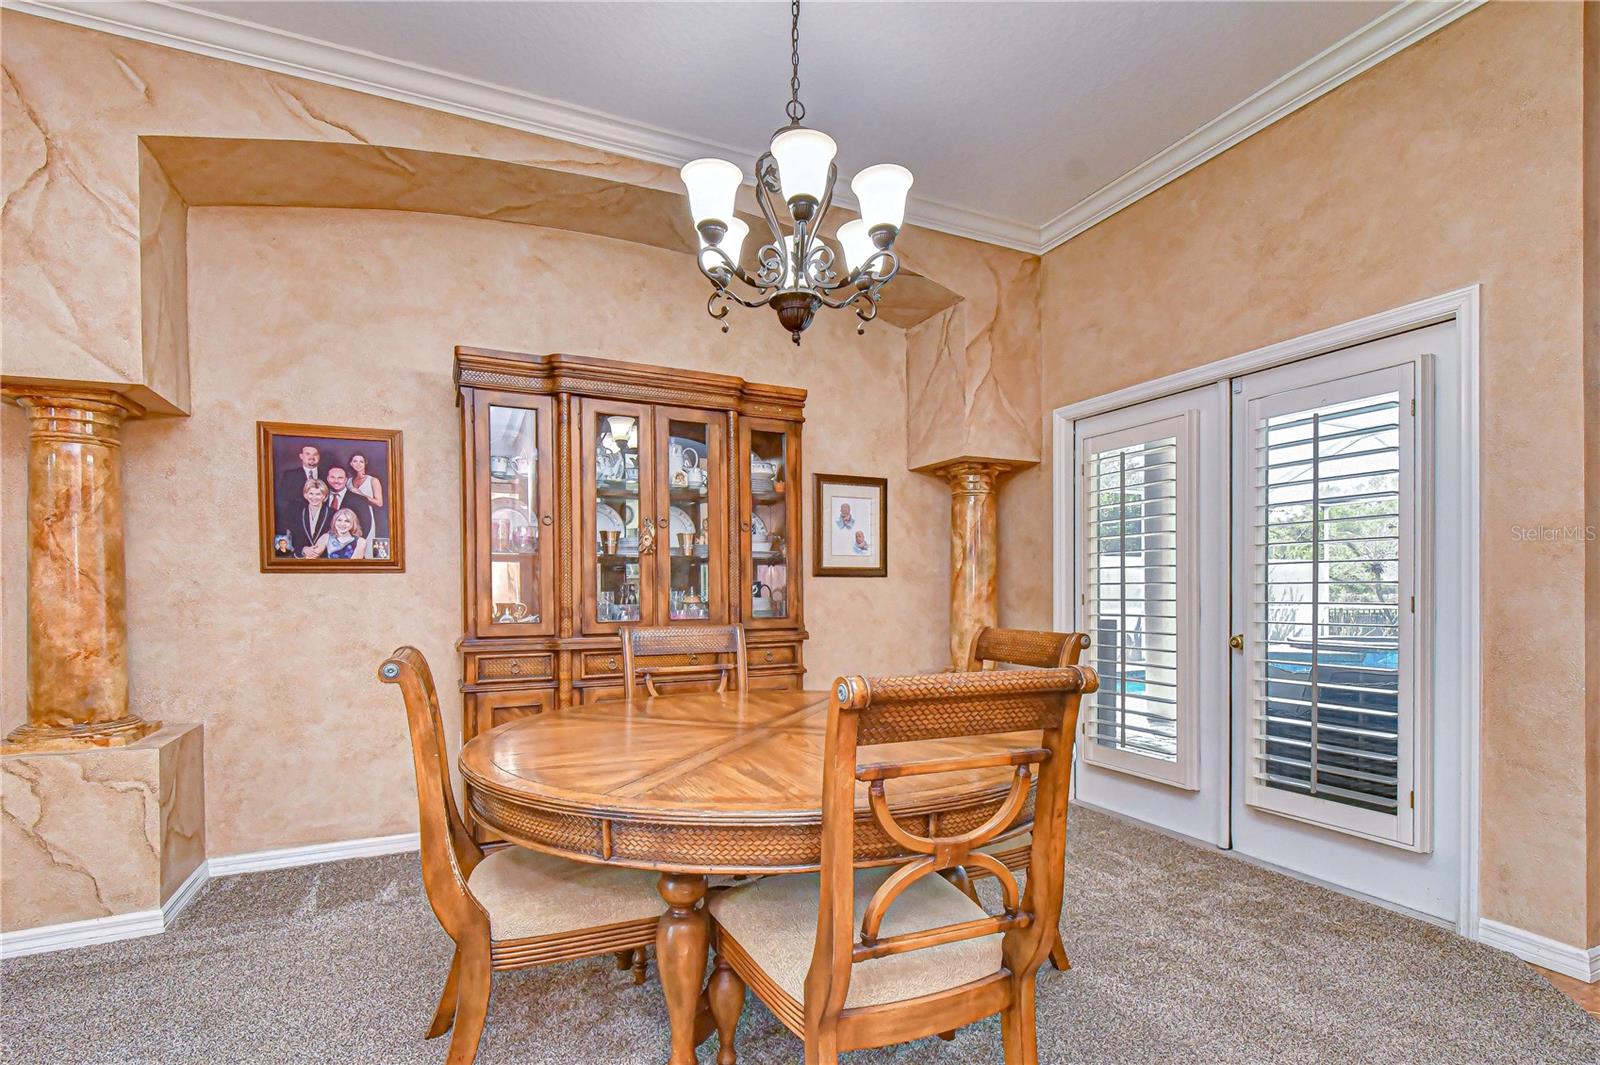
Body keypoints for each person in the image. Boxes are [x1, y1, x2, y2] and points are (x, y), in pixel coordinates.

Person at [277, 444, 323, 526]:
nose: (312, 457)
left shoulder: (328, 475)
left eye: (315, 454)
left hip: (321, 519)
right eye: (307, 454)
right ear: (301, 456)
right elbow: (284, 497)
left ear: (319, 457)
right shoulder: (290, 475)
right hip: (296, 520)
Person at [323, 466, 374, 539]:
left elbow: (365, 526)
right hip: (322, 546)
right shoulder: (320, 497)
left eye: (340, 478)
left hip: (348, 546)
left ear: (346, 480)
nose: (336, 481)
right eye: (332, 477)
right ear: (327, 479)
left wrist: (352, 545)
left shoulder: (359, 500)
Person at [289, 478, 334, 557]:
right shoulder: (297, 513)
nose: (314, 497)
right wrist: (304, 549)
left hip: (325, 558)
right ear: (305, 495)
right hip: (301, 558)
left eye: (318, 494)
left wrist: (318, 550)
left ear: (324, 496)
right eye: (311, 493)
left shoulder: (333, 513)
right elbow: (293, 536)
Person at [348, 453, 386, 538]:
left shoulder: (373, 480)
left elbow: (379, 503)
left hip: (367, 516)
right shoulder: (348, 481)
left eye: (361, 461)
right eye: (355, 461)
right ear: (351, 463)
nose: (358, 464)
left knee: (366, 543)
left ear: (365, 463)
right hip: (351, 516)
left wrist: (362, 494)